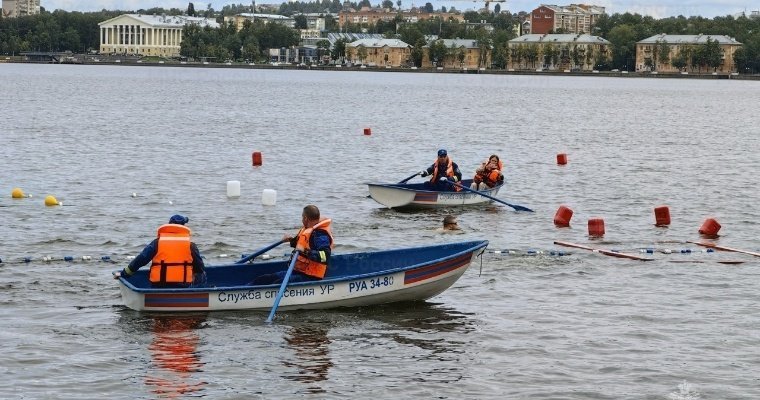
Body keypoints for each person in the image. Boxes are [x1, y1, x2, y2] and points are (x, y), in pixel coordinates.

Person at [114, 214, 206, 287]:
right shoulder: (191, 245)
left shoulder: (157, 242)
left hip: (159, 285)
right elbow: (200, 268)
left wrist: (124, 273)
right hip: (183, 285)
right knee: (202, 273)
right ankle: (198, 295)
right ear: (183, 227)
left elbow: (141, 259)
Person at [253, 205, 333, 285]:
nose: (302, 220)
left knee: (277, 283)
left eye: (302, 217)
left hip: (310, 276)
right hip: (299, 271)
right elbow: (302, 245)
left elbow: (325, 256)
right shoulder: (308, 229)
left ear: (305, 218)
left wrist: (306, 252)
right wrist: (291, 241)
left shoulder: (320, 235)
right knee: (264, 279)